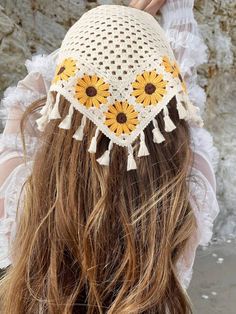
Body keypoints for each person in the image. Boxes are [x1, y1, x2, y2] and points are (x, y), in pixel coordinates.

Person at [0, 1, 219, 313]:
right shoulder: (186, 195)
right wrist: (153, 22)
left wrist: (93, 45)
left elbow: (23, 100)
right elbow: (184, 96)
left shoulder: (25, 201)